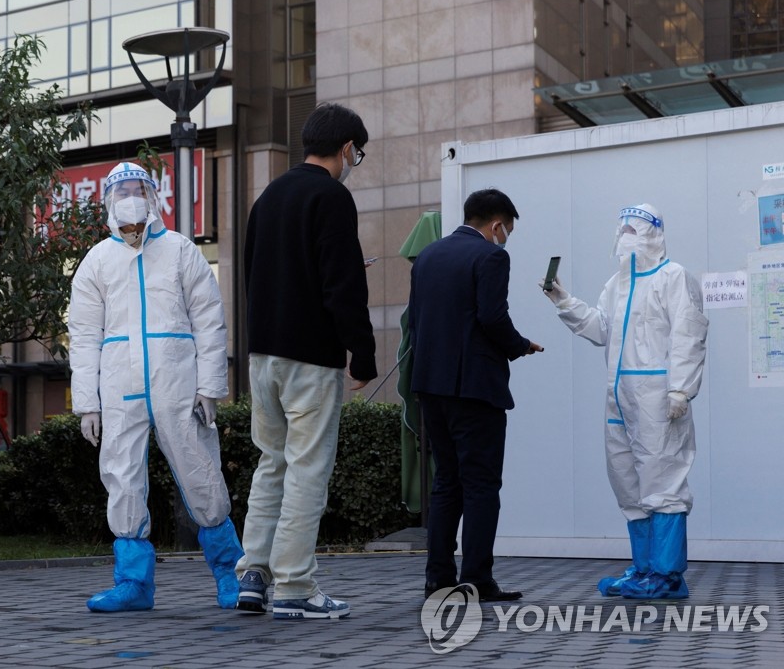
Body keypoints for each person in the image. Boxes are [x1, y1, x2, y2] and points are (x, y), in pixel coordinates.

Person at [68, 162, 243, 613]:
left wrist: (210, 386)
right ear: (108, 203)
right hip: (119, 386)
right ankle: (133, 584)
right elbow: (84, 335)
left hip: (178, 385)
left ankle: (232, 573)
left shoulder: (182, 252)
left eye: (137, 190)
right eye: (121, 192)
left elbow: (209, 320)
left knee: (199, 471)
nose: (130, 199)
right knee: (122, 478)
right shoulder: (97, 261)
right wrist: (88, 402)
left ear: (151, 197)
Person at [235, 102, 377, 620]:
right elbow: (344, 285)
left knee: (270, 463)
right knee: (307, 469)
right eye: (356, 153)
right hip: (310, 357)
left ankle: (253, 573)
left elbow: (255, 274)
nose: (354, 161)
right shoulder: (332, 197)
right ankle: (295, 586)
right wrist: (362, 354)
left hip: (263, 353)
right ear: (345, 148)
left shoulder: (268, 197)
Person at [542, 203, 708, 599]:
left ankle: (667, 576)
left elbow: (689, 333)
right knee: (628, 484)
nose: (625, 237)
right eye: (621, 230)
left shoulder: (674, 278)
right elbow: (602, 329)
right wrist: (563, 300)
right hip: (618, 397)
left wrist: (681, 389)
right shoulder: (616, 284)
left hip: (658, 397)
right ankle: (645, 568)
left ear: (654, 233)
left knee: (663, 480)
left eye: (634, 229)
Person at [409, 189, 542, 603]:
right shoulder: (491, 257)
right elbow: (491, 316)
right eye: (507, 231)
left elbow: (415, 320)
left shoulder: (428, 257)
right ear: (496, 225)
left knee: (446, 481)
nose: (506, 239)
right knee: (482, 484)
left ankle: (438, 578)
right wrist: (520, 345)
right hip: (475, 388)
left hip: (431, 386)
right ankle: (478, 579)